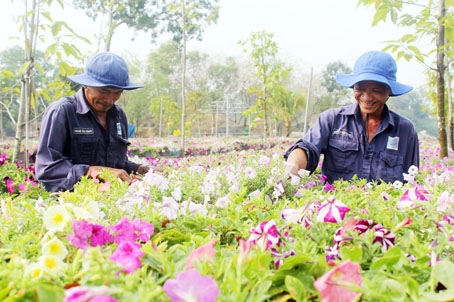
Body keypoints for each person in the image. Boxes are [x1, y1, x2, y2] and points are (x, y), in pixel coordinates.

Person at [284, 50, 420, 184]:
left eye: (377, 90)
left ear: (389, 91)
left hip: (383, 205)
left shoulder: (405, 130)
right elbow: (307, 148)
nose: (366, 97)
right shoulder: (332, 120)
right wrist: (293, 166)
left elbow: (410, 179)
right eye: (360, 88)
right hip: (336, 204)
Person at [36, 52, 151, 192]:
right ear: (86, 84)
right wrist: (92, 171)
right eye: (104, 90)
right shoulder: (62, 112)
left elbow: (115, 163)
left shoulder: (118, 116)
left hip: (111, 201)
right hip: (71, 205)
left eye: (117, 93)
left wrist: (141, 169)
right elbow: (47, 168)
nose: (109, 100)